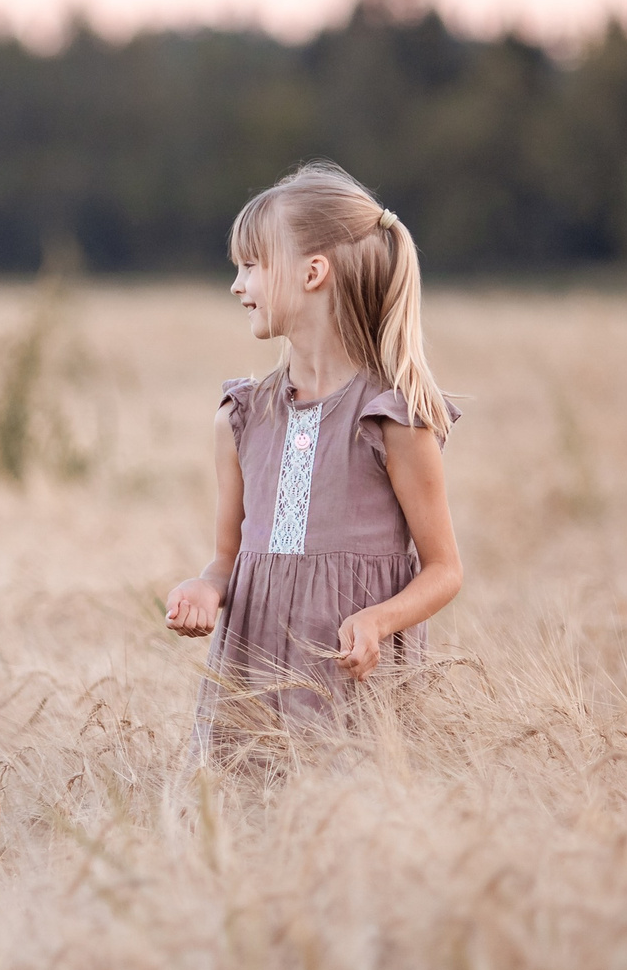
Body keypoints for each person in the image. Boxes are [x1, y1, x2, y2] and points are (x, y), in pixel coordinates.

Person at [164, 161, 463, 744]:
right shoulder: (242, 419)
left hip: (350, 684)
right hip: (251, 678)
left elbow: (445, 570)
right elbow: (227, 560)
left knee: (354, 823)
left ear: (313, 273)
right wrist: (204, 589)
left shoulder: (390, 418)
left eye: (251, 265)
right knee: (244, 823)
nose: (237, 285)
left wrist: (379, 620)